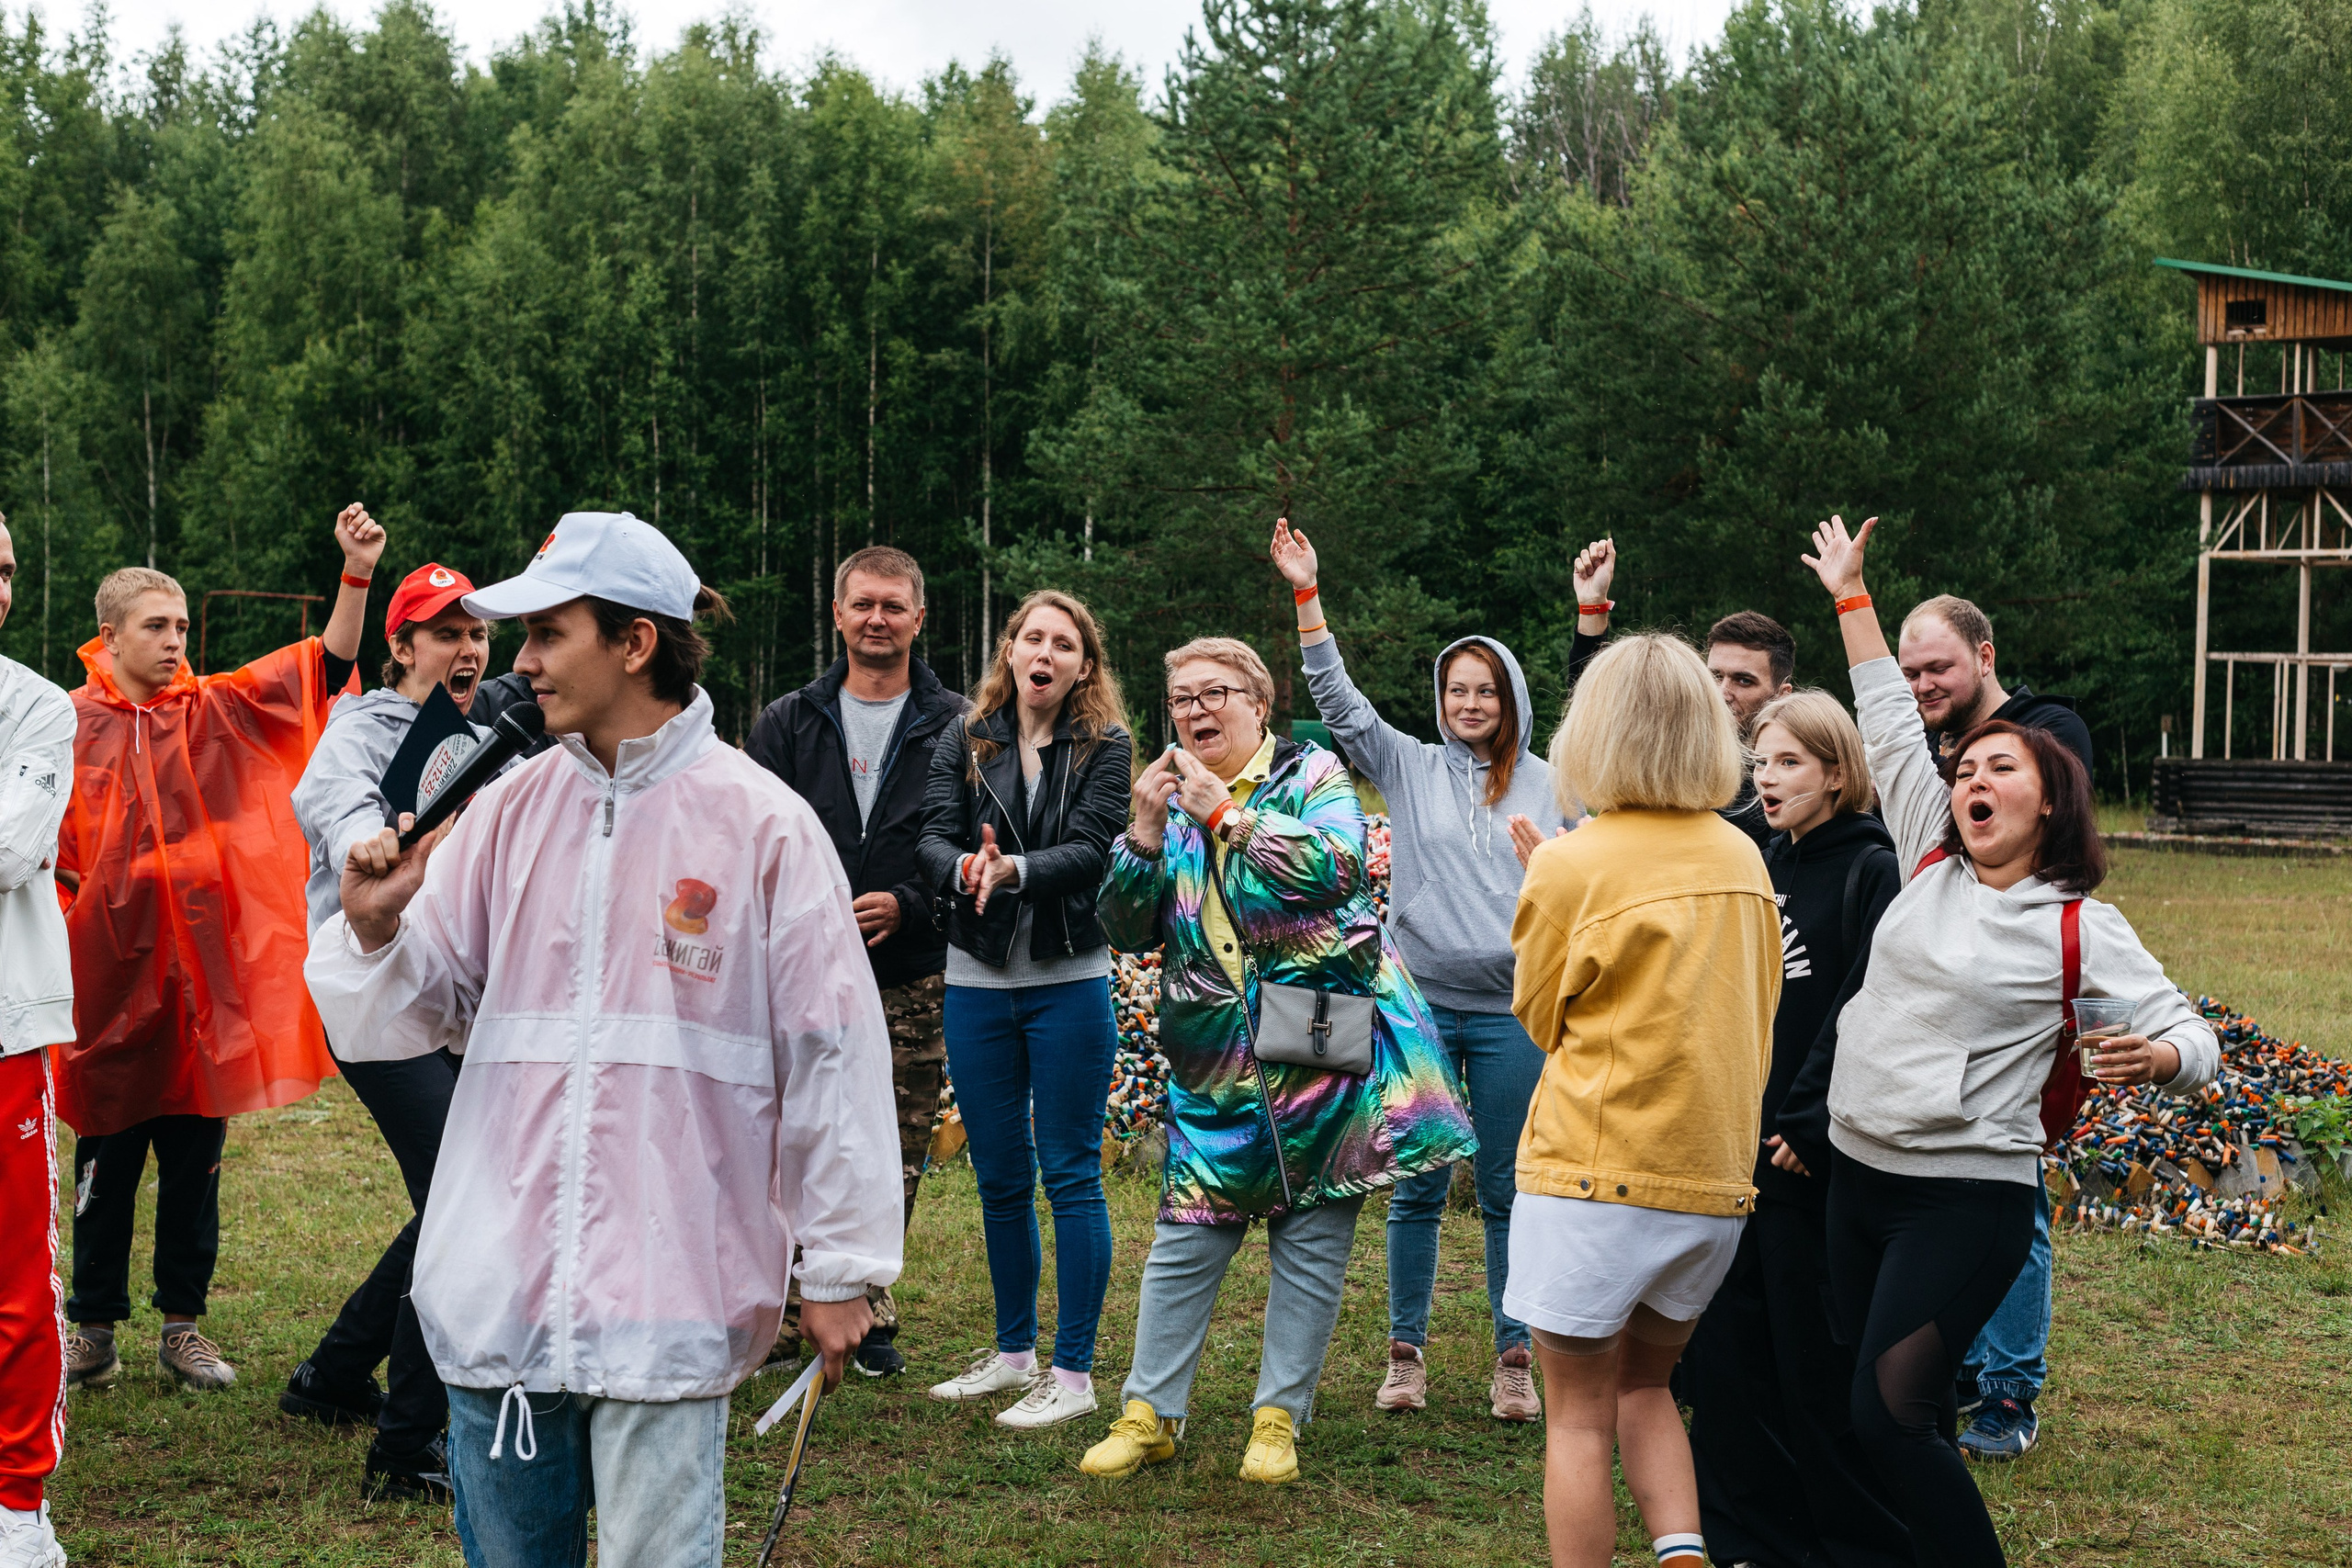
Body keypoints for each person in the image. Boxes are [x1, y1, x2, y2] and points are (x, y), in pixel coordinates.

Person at [305, 511, 902, 1568]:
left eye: (546, 635)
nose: (518, 662)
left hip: (673, 1296)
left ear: (633, 642)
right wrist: (373, 923)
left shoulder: (760, 824)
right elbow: (405, 1012)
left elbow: (831, 1050)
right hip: (500, 1298)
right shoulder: (505, 809)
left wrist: (844, 1264)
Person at [1792, 514, 2217, 1568]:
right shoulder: (1926, 856)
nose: (1973, 778)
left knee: (1886, 1412)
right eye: (1967, 767)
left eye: (2002, 768)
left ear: (2051, 798)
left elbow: (2189, 1035)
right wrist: (1852, 595)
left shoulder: (2076, 922)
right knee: (1901, 1413)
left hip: (1962, 1198)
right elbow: (1887, 719)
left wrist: (2158, 1058)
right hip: (1856, 1173)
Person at [1080, 636, 1475, 1485]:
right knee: (1187, 1237)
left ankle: (1277, 1418)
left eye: (1214, 692)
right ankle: (1149, 1412)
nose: (1194, 710)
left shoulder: (1315, 775)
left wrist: (1229, 813)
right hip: (1212, 1054)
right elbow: (1122, 927)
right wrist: (1144, 835)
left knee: (1314, 1230)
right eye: (1181, 697)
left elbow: (1335, 870)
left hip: (1317, 1035)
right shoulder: (1169, 794)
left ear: (1258, 702)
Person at [58, 504, 383, 1396]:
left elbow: (327, 668)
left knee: (195, 1163)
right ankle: (91, 1329)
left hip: (201, 986)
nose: (175, 642)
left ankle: (181, 1326)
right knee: (105, 1159)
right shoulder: (66, 725)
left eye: (183, 627)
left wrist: (355, 573)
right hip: (105, 987)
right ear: (109, 633)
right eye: (157, 627)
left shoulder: (215, 711)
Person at [1270, 516, 1560, 1423]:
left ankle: (1514, 1360)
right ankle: (1406, 1356)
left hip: (1514, 1006)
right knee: (1418, 1186)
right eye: (1455, 688)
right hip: (1421, 1004)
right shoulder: (1408, 764)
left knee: (1511, 1187)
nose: (1469, 702)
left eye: (1485, 689)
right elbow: (1339, 698)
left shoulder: (1552, 781)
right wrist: (1308, 596)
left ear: (1510, 697)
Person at [1507, 633, 1781, 1568]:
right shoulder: (1746, 858)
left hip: (1592, 1173)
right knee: (1648, 1387)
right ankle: (1682, 1553)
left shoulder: (1570, 864)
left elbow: (1543, 1018)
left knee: (1577, 1418)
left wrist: (1548, 880)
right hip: (1709, 1184)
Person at [278, 561, 499, 1504]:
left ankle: (331, 1378)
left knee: (452, 1192)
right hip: (376, 999)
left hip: (460, 999)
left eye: (477, 633)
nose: (467, 649)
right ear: (402, 646)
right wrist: (371, 836)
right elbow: (334, 803)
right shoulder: (360, 727)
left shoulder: (495, 736)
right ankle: (407, 1450)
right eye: (446, 632)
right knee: (463, 1203)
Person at [1679, 690, 1912, 1568]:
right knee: (1732, 1360)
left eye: (1788, 764)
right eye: (1762, 762)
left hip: (1809, 1156)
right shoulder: (1753, 858)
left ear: (1838, 772)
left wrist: (1809, 1117)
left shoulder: (1870, 867)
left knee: (1810, 1361)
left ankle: (1848, 1542)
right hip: (1729, 1145)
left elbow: (1866, 1000)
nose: (1766, 780)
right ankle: (1747, 1534)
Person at [747, 547, 967, 1380]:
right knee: (783, 1140)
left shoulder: (957, 723)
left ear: (919, 619)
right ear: (837, 615)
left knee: (893, 1144)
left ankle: (865, 1304)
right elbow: (749, 835)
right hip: (796, 973)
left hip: (909, 967)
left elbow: (970, 841)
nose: (878, 618)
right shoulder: (787, 721)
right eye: (863, 604)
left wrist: (911, 901)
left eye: (894, 606)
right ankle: (775, 1302)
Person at [912, 591, 1132, 1429]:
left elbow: (1095, 846)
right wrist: (966, 864)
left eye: (1064, 643)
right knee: (1000, 1176)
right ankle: (1012, 1356)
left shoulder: (1104, 746)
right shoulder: (964, 737)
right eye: (1032, 638)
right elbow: (931, 833)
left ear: (1084, 665)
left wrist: (1018, 871)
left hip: (1069, 976)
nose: (1045, 653)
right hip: (976, 976)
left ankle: (1072, 1375)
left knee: (1070, 1172)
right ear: (1010, 651)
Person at [1896, 592, 2092, 1462]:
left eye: (1937, 667)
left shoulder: (2047, 727)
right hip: (1933, 984)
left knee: (2012, 1179)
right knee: (1944, 1183)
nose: (1923, 685)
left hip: (2017, 991)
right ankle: (1964, 1364)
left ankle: (2010, 1389)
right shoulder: (1928, 743)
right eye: (1909, 674)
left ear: (1984, 653)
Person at [0, 515, 81, 1568]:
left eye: (9, 569)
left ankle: (18, 1501)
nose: (0, 587)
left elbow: (12, 848)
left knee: (15, 1279)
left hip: (5, 1030)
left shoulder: (34, 703)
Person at [1562, 540, 1792, 844]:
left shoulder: (1795, 777)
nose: (1723, 692)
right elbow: (1598, 708)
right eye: (1715, 676)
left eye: (1743, 681)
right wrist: (1592, 604)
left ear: (1781, 695)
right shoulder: (1675, 745)